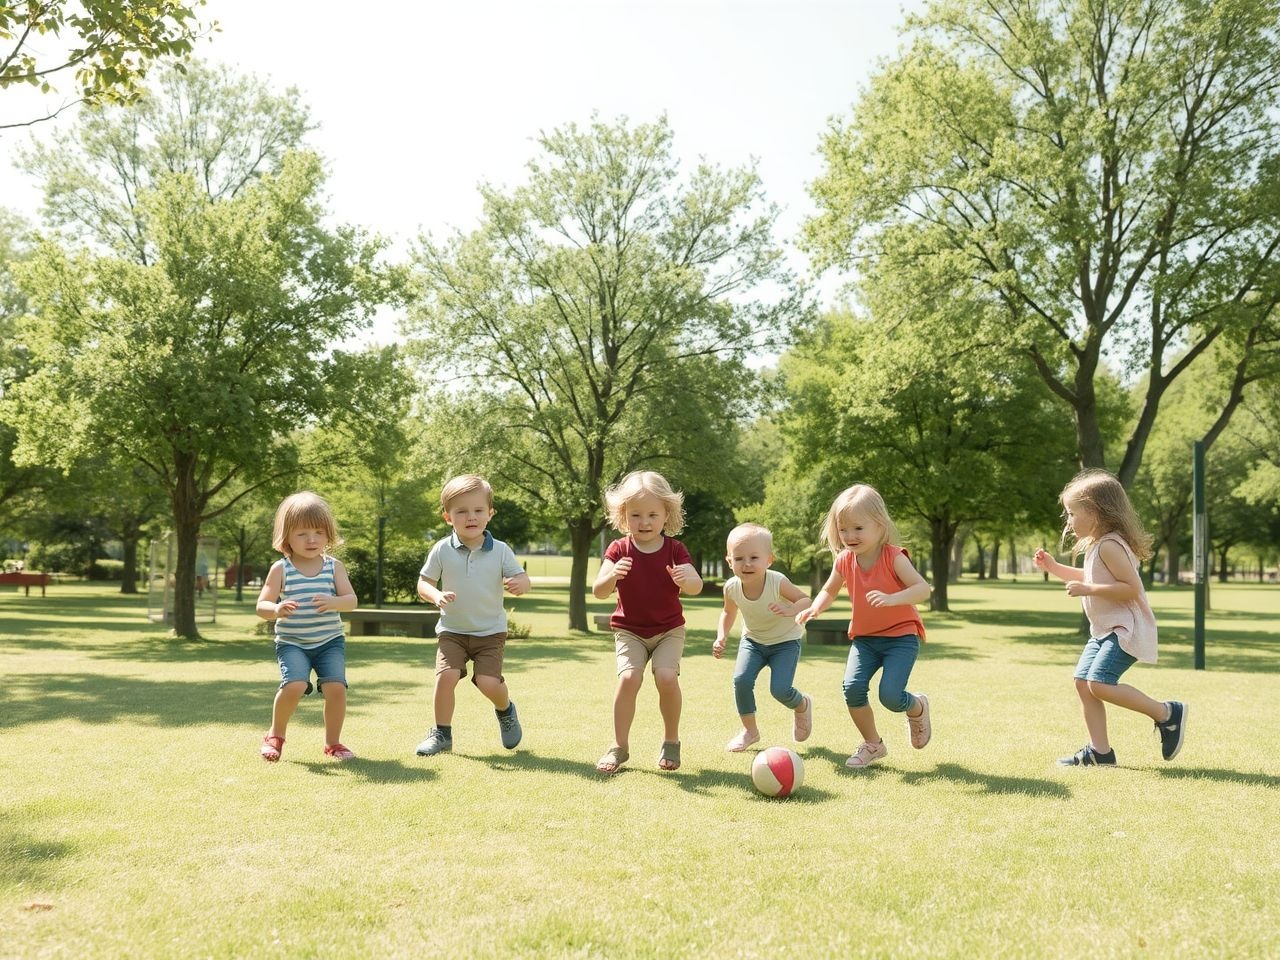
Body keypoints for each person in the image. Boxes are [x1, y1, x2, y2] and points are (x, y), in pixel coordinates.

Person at [1034, 469, 1187, 767]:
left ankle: (1167, 713)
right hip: (1104, 631)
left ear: (1093, 511)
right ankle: (1100, 753)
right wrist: (1054, 568)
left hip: (1126, 629)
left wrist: (1087, 589)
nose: (1068, 521)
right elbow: (1088, 575)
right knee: (1083, 682)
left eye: (1072, 513)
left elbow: (1131, 589)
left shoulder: (1110, 545)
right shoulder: (1097, 544)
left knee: (1100, 683)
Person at [795, 484, 932, 769]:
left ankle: (917, 706)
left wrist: (893, 598)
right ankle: (873, 745)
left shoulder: (893, 557)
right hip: (865, 640)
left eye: (858, 528)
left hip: (900, 637)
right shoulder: (844, 560)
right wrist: (814, 607)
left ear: (880, 525)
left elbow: (922, 589)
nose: (850, 536)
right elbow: (829, 590)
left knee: (891, 697)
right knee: (853, 688)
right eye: (843, 529)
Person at [592, 470, 702, 774]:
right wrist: (612, 575)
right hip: (629, 631)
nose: (644, 522)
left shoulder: (675, 550)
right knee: (629, 678)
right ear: (623, 515)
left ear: (667, 514)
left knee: (666, 677)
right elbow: (599, 590)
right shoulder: (618, 549)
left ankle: (671, 741)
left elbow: (695, 586)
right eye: (636, 515)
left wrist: (686, 577)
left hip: (668, 630)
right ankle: (619, 747)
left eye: (652, 514)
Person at [414, 475, 531, 757]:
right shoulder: (442, 549)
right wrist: (436, 596)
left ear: (490, 514)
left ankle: (505, 710)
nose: (471, 517)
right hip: (452, 630)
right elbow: (423, 583)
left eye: (478, 510)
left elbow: (523, 578)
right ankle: (442, 733)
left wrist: (520, 584)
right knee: (446, 677)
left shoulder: (500, 550)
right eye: (461, 511)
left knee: (489, 682)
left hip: (490, 632)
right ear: (447, 517)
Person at [256, 492, 358, 762]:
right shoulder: (281, 569)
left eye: (318, 532)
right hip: (292, 643)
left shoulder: (333, 567)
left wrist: (334, 601)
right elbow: (261, 605)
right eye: (302, 533)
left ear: (328, 534)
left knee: (336, 688)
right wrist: (276, 609)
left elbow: (351, 601)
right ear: (286, 537)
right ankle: (275, 735)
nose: (311, 539)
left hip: (329, 642)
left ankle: (333, 743)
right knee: (295, 685)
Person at [712, 523, 813, 751]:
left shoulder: (777, 581)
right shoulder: (731, 587)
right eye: (739, 558)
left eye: (754, 557)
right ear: (729, 562)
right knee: (741, 681)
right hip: (753, 642)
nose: (746, 564)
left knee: (780, 690)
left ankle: (802, 704)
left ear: (769, 559)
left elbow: (805, 600)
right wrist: (721, 637)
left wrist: (791, 609)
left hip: (785, 643)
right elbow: (728, 612)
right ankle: (750, 732)